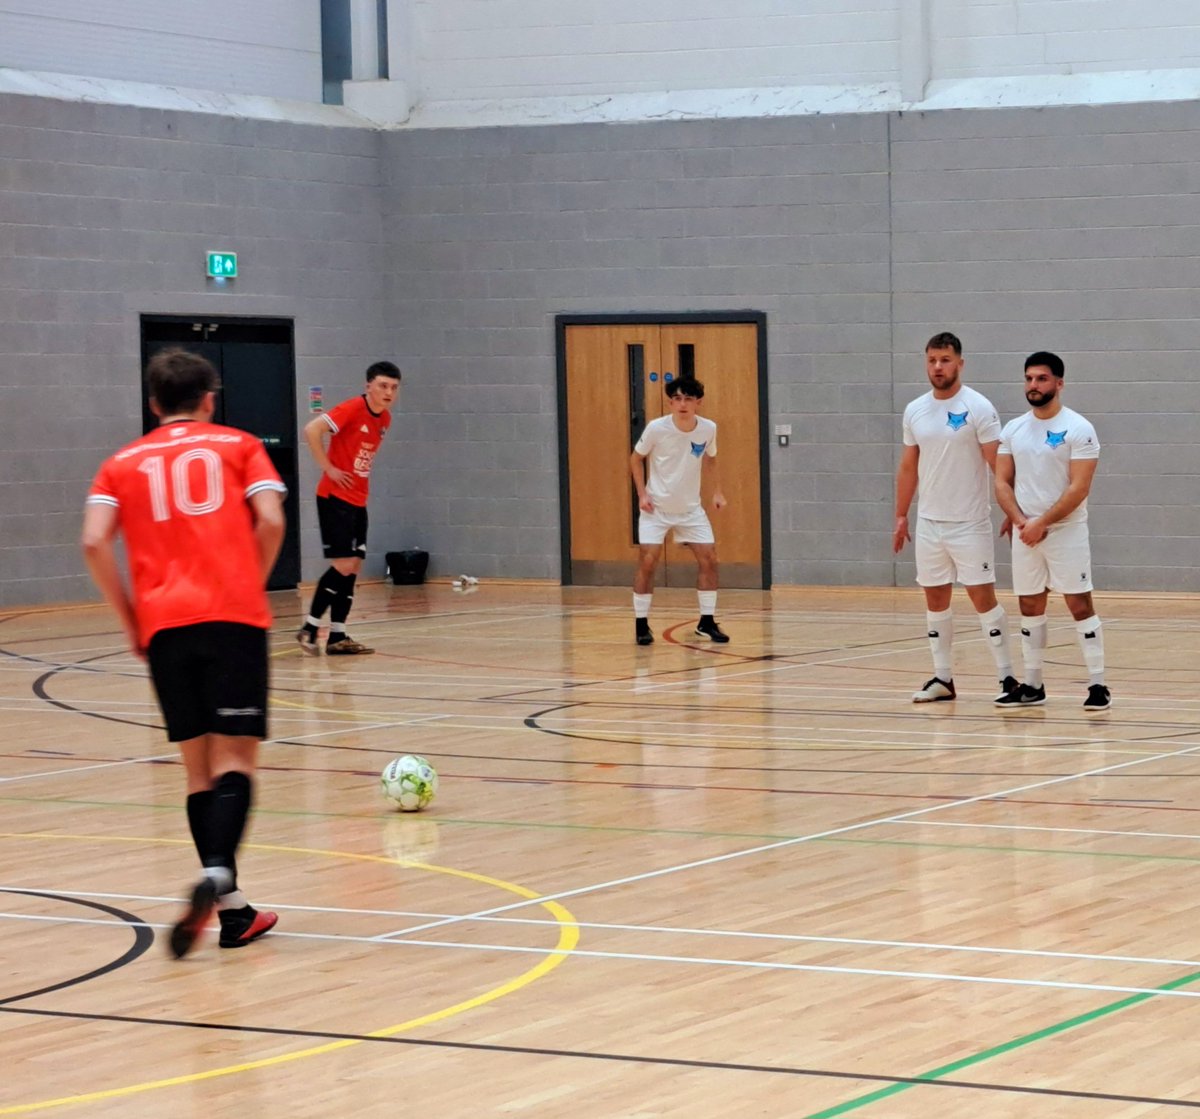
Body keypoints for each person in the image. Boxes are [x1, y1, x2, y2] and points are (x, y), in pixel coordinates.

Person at [81, 348, 287, 957]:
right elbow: (271, 519)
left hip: (164, 625)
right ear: (209, 399)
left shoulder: (118, 464)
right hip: (232, 616)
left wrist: (130, 619)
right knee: (236, 766)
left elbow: (94, 540)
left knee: (198, 772)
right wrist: (249, 578)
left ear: (152, 405)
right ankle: (219, 872)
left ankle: (234, 914)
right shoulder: (239, 445)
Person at [894, 332, 1017, 703]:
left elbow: (998, 465)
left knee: (983, 599)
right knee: (935, 601)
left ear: (960, 363)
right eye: (932, 360)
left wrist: (1012, 509)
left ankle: (1007, 678)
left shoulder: (978, 407)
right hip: (930, 524)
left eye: (945, 360)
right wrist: (901, 515)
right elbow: (908, 467)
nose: (937, 367)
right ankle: (943, 679)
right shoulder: (915, 409)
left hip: (970, 523)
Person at [994, 351, 1108, 710]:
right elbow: (1001, 481)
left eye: (1041, 379)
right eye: (1029, 379)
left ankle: (1097, 685)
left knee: (1078, 603)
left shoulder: (1079, 428)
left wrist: (1042, 522)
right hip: (1026, 533)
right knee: (1029, 604)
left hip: (1065, 533)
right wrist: (1020, 520)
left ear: (1059, 383)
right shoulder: (1013, 429)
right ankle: (1033, 684)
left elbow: (1079, 488)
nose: (1033, 385)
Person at [296, 361, 401, 655]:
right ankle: (310, 628)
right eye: (382, 385)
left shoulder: (385, 420)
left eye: (393, 387)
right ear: (368, 386)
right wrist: (327, 467)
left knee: (352, 568)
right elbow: (312, 429)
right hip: (334, 498)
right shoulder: (353, 408)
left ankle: (338, 636)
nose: (388, 392)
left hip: (358, 500)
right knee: (342, 564)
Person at [629, 376, 728, 645]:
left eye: (688, 399)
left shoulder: (708, 428)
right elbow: (635, 459)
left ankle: (706, 623)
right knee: (648, 562)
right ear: (670, 402)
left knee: (710, 559)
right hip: (656, 508)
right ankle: (641, 624)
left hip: (690, 509)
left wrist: (717, 491)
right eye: (677, 399)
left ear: (698, 402)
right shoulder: (656, 428)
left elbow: (711, 459)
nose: (682, 404)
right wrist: (642, 494)